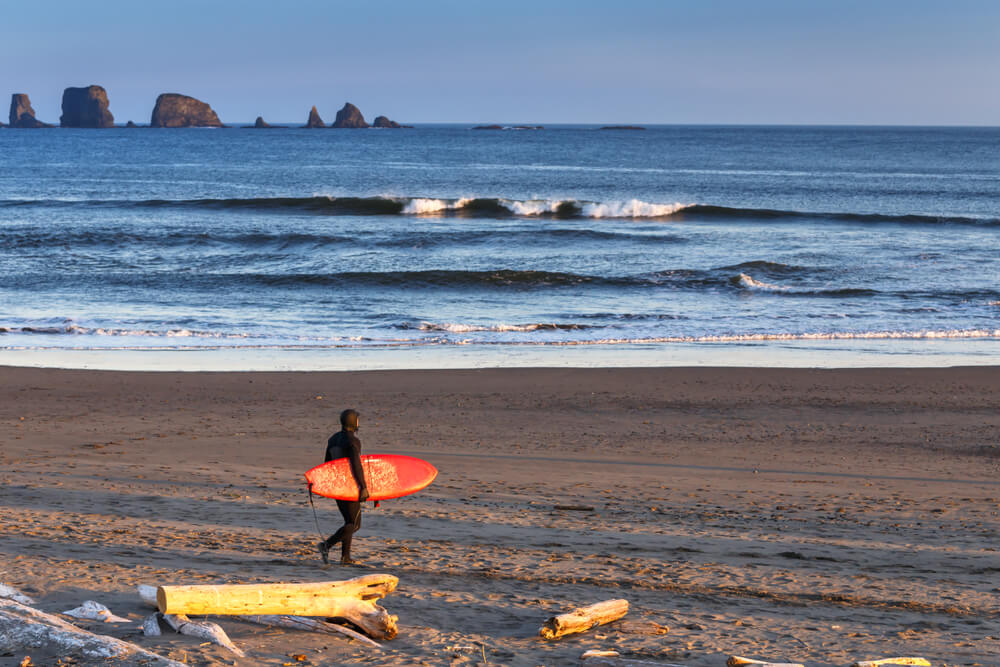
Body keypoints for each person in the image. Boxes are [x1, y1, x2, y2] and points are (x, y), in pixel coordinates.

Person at [317, 408, 369, 565]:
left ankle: (345, 557)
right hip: (350, 486)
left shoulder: (332, 439)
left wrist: (327, 486)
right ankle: (326, 545)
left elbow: (327, 464)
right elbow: (356, 465)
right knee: (354, 524)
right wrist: (363, 486)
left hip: (337, 486)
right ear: (354, 422)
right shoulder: (353, 441)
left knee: (348, 521)